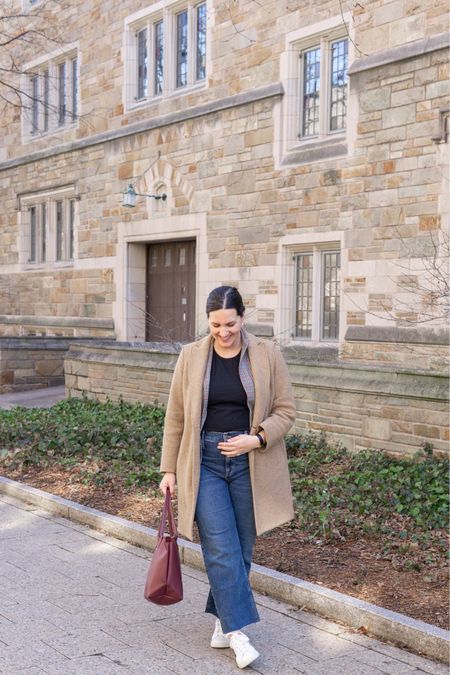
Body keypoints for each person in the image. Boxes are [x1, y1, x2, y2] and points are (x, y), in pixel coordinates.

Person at [159, 286, 296, 669]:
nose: (223, 332)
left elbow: (286, 411)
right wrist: (169, 469)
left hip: (251, 464)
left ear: (242, 317)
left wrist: (256, 438)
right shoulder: (191, 357)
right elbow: (176, 418)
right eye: (216, 325)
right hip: (203, 463)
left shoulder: (267, 354)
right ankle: (239, 634)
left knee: (242, 550)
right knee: (220, 548)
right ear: (208, 322)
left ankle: (222, 624)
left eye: (230, 324)